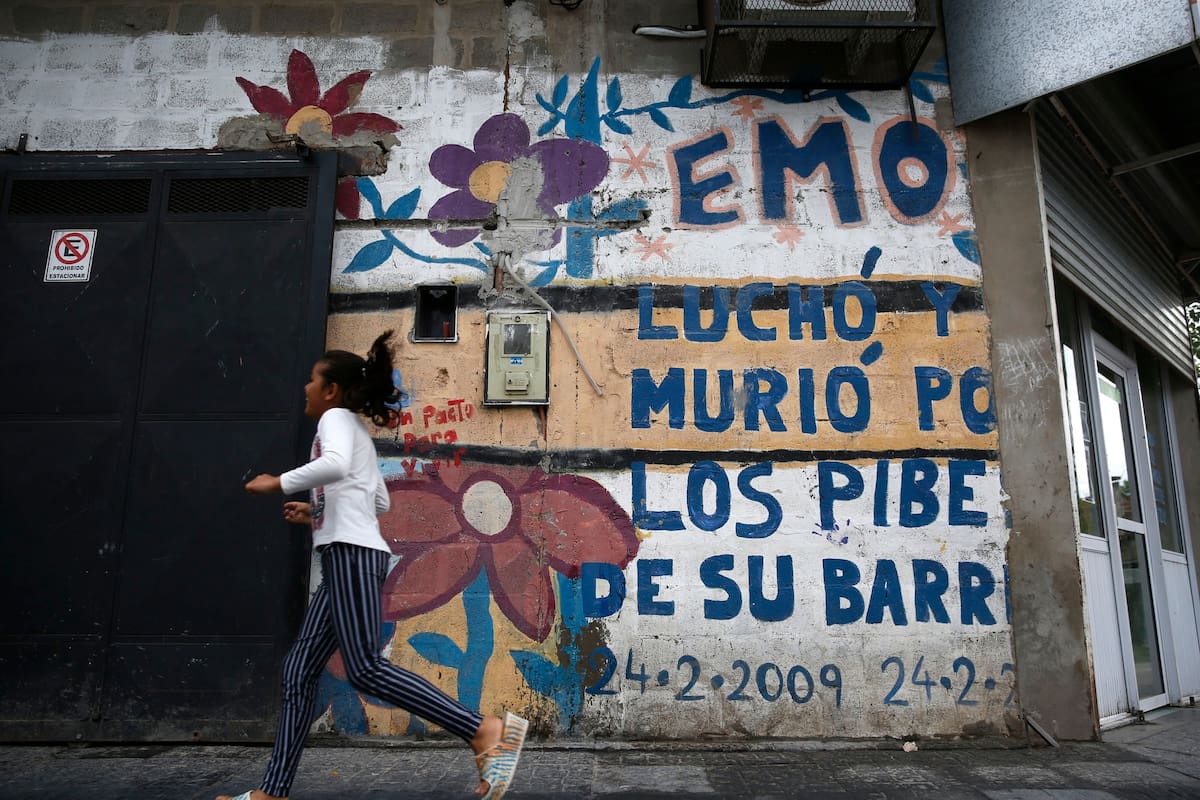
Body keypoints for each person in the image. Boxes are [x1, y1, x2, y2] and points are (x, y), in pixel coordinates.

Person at [219, 331, 526, 800]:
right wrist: (317, 512)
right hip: (347, 551)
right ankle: (273, 792)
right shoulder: (353, 428)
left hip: (354, 555)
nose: (304, 388)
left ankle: (482, 730)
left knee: (363, 668)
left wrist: (280, 483)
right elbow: (377, 498)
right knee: (299, 670)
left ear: (331, 391)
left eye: (311, 380)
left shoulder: (336, 420)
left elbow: (339, 467)